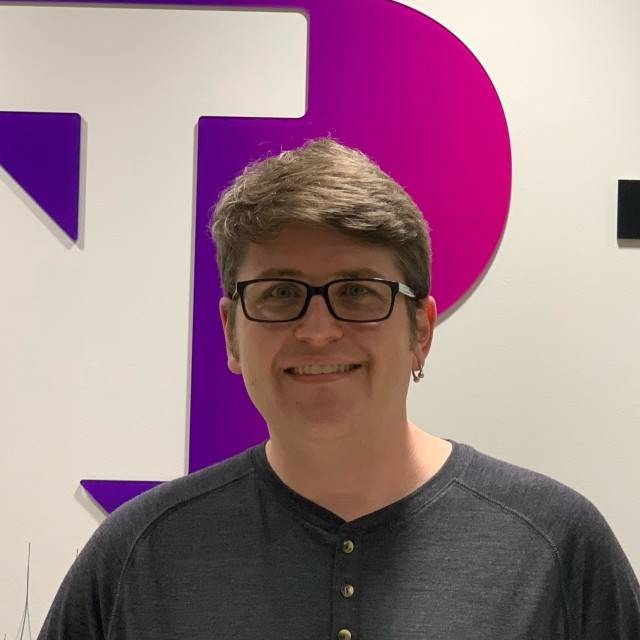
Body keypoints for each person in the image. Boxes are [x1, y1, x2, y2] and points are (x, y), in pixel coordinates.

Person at [38, 138, 639, 639]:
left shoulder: (555, 547)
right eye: (280, 293)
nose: (318, 330)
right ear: (231, 333)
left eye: (357, 292)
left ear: (421, 331)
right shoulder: (138, 556)